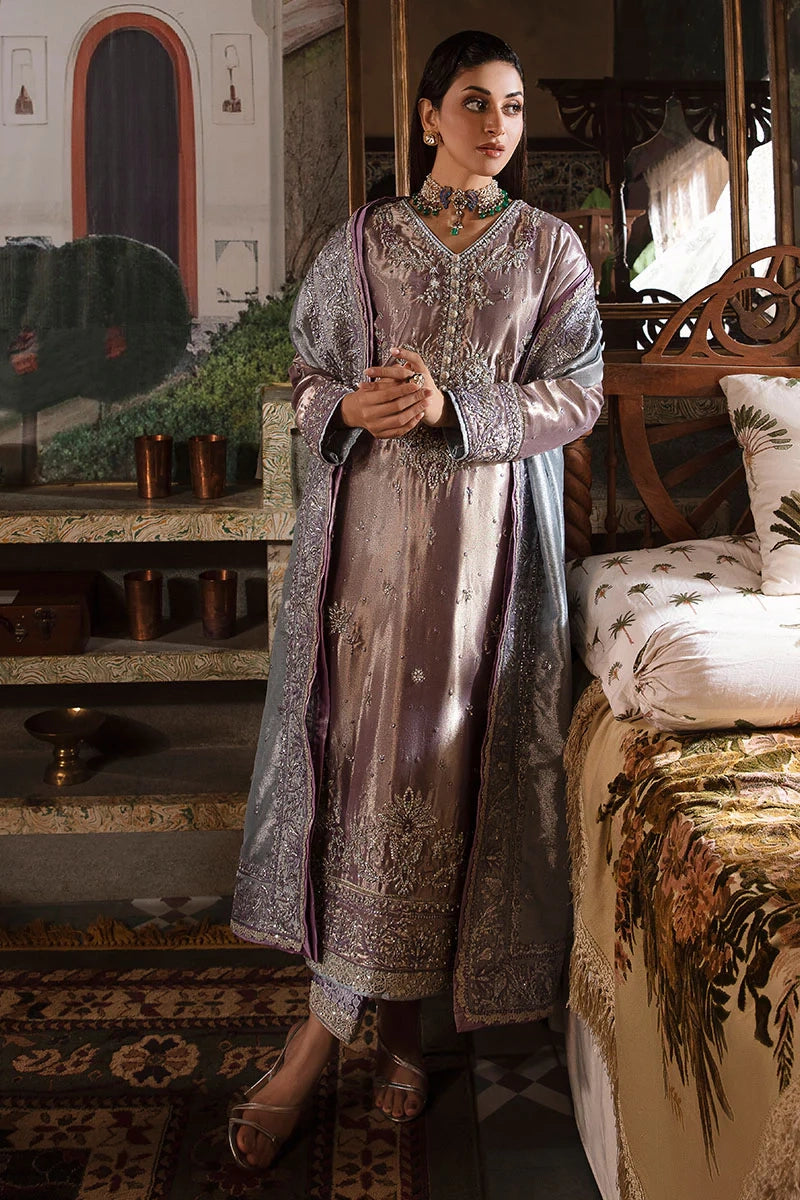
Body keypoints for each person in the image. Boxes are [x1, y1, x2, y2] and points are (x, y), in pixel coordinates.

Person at [228, 29, 603, 1172]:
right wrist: (348, 409)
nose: (497, 126)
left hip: (489, 562)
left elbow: (579, 392)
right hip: (371, 558)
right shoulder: (363, 241)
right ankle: (357, 1031)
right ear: (429, 114)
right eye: (474, 103)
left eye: (513, 107)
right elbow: (305, 375)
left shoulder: (548, 248)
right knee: (362, 775)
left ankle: (361, 1036)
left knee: (441, 779)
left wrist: (459, 410)